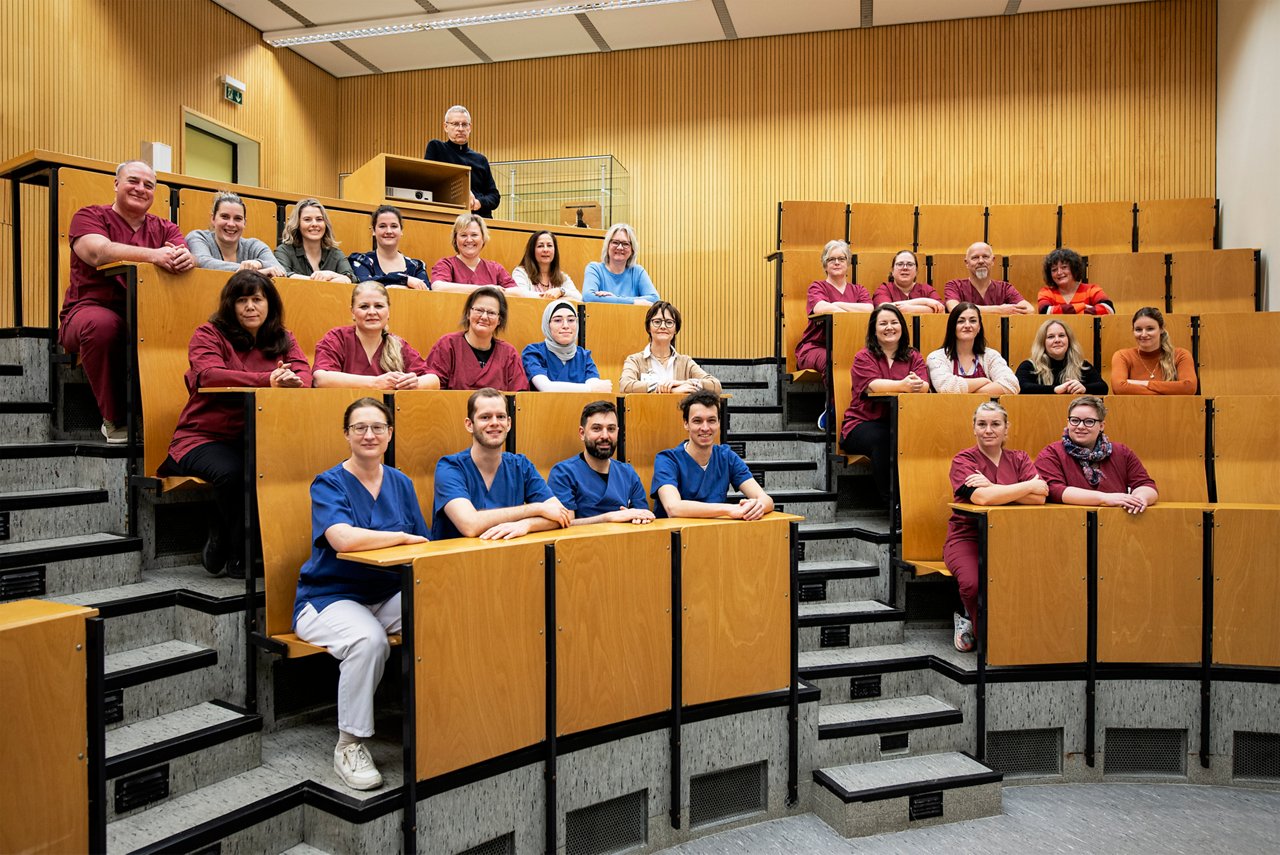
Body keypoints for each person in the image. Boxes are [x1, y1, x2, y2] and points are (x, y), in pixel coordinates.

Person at [292, 397, 429, 791]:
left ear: (390, 433)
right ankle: (349, 746)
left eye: (377, 427)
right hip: (329, 598)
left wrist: (408, 541)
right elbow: (342, 539)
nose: (369, 435)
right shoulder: (329, 482)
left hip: (386, 594)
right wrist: (399, 537)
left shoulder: (401, 483)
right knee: (368, 641)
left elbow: (423, 543)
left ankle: (440, 723)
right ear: (346, 434)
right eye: (359, 428)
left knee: (442, 611)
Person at [160, 270, 311, 577]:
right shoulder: (209, 334)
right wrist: (267, 380)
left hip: (257, 437)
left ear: (270, 304)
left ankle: (263, 548)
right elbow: (209, 375)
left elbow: (303, 373)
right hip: (202, 437)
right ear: (230, 305)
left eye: (257, 299)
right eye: (242, 300)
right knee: (236, 472)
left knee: (284, 466)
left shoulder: (283, 337)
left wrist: (294, 381)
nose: (250, 307)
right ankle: (240, 554)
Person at [61, 160, 195, 443]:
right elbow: (98, 252)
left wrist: (187, 258)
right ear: (116, 184)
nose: (140, 189)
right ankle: (114, 419)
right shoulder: (89, 216)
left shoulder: (165, 228)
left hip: (148, 314)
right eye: (133, 181)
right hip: (89, 311)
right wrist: (154, 255)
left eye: (149, 185)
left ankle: (173, 422)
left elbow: (181, 254)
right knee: (103, 326)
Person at [942, 401, 1048, 652]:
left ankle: (1011, 639)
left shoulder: (1020, 458)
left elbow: (1039, 498)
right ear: (974, 428)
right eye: (982, 424)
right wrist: (1027, 486)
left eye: (995, 424)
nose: (988, 430)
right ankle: (982, 633)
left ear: (1006, 428)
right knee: (974, 584)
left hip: (1012, 538)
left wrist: (992, 487)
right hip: (967, 538)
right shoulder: (964, 460)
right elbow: (982, 499)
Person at [432, 388, 570, 540]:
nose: (494, 423)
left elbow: (562, 515)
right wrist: (537, 509)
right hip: (461, 555)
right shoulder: (450, 467)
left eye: (501, 417)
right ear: (469, 424)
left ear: (509, 423)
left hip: (509, 553)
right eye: (485, 417)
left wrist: (527, 524)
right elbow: (470, 525)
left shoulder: (521, 466)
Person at [838, 304, 930, 503]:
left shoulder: (913, 355)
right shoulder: (864, 356)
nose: (889, 327)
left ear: (902, 327)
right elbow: (873, 386)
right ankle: (893, 503)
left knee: (921, 439)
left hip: (901, 423)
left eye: (894, 322)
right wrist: (904, 385)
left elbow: (924, 386)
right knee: (885, 439)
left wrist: (916, 385)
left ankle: (918, 501)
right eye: (883, 323)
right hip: (862, 424)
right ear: (874, 329)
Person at [652, 390, 774, 520]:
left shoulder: (727, 457)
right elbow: (673, 508)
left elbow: (767, 500)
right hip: (676, 532)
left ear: (719, 423)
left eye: (711, 420)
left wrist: (755, 507)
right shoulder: (667, 460)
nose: (705, 428)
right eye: (697, 421)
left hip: (716, 531)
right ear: (686, 423)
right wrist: (728, 509)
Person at [793, 240, 874, 428]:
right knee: (832, 360)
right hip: (814, 347)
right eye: (831, 259)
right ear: (825, 264)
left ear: (848, 263)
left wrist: (837, 305)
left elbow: (869, 309)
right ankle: (833, 408)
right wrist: (851, 310)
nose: (837, 262)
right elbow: (821, 307)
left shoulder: (858, 290)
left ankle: (861, 411)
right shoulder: (817, 287)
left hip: (848, 348)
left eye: (841, 258)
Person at [1034, 395, 1159, 514]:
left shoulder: (1121, 452)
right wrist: (1105, 498)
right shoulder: (1051, 454)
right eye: (1075, 420)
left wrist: (1139, 500)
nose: (1080, 426)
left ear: (1101, 426)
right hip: (1069, 521)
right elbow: (1053, 490)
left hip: (1116, 522)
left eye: (1089, 421)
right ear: (1068, 422)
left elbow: (1146, 484)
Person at [548, 400, 655, 526]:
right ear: (582, 433)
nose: (605, 436)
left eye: (611, 429)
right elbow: (565, 524)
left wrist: (641, 518)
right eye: (597, 429)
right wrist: (609, 517)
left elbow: (643, 516)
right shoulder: (563, 473)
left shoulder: (628, 473)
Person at [313, 282, 435, 390]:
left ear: (388, 312)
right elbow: (320, 379)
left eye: (379, 306)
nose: (372, 312)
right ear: (353, 312)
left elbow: (433, 380)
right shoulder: (337, 338)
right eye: (364, 306)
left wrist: (415, 383)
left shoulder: (398, 345)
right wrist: (375, 383)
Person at [423, 286, 527, 391]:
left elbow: (520, 395)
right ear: (468, 313)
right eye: (479, 310)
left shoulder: (509, 354)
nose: (484, 317)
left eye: (491, 313)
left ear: (499, 320)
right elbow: (433, 389)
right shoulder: (447, 345)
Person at [620, 302, 721, 394]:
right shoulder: (635, 360)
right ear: (648, 328)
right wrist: (665, 388)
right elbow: (625, 385)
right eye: (657, 322)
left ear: (676, 329)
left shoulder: (685, 362)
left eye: (669, 322)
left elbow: (716, 386)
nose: (663, 326)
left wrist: (682, 383)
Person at [926, 303, 1020, 394]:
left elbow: (1012, 384)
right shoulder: (937, 357)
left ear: (979, 327)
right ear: (952, 326)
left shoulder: (991, 356)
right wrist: (984, 381)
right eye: (961, 321)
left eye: (973, 321)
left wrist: (970, 392)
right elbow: (946, 387)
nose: (967, 325)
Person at [423, 105, 500, 218]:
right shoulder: (437, 148)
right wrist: (463, 194)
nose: (460, 129)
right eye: (455, 124)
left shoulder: (481, 159)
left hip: (479, 218)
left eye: (464, 124)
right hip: (449, 216)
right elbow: (428, 182)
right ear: (445, 127)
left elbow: (494, 196)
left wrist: (479, 202)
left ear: (470, 127)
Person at [186, 191, 285, 276]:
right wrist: (256, 272)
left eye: (238, 218)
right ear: (213, 219)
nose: (231, 224)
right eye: (225, 217)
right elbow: (204, 263)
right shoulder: (198, 237)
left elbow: (280, 270)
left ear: (244, 222)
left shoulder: (254, 246)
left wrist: (259, 263)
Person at [521, 301, 611, 392]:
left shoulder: (584, 355)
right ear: (547, 325)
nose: (565, 326)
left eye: (571, 320)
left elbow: (595, 386)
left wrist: (593, 388)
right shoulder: (533, 352)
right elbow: (546, 387)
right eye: (557, 320)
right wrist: (589, 388)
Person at [1110, 306, 1197, 395]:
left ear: (1161, 329)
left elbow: (1189, 388)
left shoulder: (1181, 355)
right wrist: (1170, 390)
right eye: (1138, 329)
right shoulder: (1122, 356)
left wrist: (1145, 383)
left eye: (1150, 329)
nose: (1144, 334)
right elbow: (1119, 388)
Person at [1014, 319, 1108, 395]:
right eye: (1051, 337)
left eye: (1061, 335)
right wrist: (1055, 390)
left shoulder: (1082, 365)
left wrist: (1085, 388)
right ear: (1042, 342)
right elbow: (1021, 387)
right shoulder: (1029, 366)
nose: (1057, 340)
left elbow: (1103, 388)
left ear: (1069, 340)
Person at [429, 213, 517, 293]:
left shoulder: (495, 268)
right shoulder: (446, 264)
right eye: (463, 235)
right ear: (455, 239)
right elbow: (438, 287)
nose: (469, 240)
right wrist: (485, 290)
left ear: (483, 238)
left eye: (474, 235)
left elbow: (517, 292)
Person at [347, 206, 428, 289]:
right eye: (382, 226)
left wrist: (395, 287)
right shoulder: (361, 261)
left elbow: (426, 291)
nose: (389, 231)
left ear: (401, 231)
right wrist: (404, 280)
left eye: (394, 226)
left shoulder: (416, 266)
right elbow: (365, 285)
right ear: (373, 231)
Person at [275, 199, 354, 283]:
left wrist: (331, 274)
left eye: (319, 219)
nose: (314, 224)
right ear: (297, 224)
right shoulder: (284, 251)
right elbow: (282, 276)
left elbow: (351, 279)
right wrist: (321, 281)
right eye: (307, 219)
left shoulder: (335, 254)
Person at [944, 242, 1034, 315]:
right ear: (967, 263)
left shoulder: (1005, 288)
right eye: (975, 258)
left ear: (993, 261)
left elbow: (1030, 310)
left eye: (985, 257)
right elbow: (955, 309)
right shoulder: (954, 286)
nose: (981, 261)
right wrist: (999, 310)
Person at [582, 223, 660, 305]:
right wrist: (633, 302)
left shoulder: (637, 271)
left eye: (625, 244)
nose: (620, 247)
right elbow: (588, 297)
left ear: (632, 249)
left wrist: (613, 298)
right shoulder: (595, 269)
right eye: (615, 242)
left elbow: (655, 299)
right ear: (607, 246)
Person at [1036, 248, 1114, 315]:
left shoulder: (1092, 289)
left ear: (1074, 268)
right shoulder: (1046, 292)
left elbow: (1109, 309)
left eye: (1064, 267)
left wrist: (1062, 311)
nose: (1059, 272)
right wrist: (1082, 306)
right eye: (1054, 270)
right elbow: (1044, 312)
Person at [511, 230, 583, 301]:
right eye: (540, 246)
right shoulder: (520, 273)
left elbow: (579, 298)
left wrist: (561, 291)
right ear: (532, 251)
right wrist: (555, 298)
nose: (545, 250)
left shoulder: (562, 277)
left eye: (549, 245)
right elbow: (521, 295)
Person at [871, 250, 945, 314]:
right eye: (900, 264)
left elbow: (941, 310)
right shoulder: (884, 289)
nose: (905, 268)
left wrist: (911, 309)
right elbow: (884, 309)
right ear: (892, 271)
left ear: (916, 271)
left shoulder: (927, 290)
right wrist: (924, 301)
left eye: (910, 264)